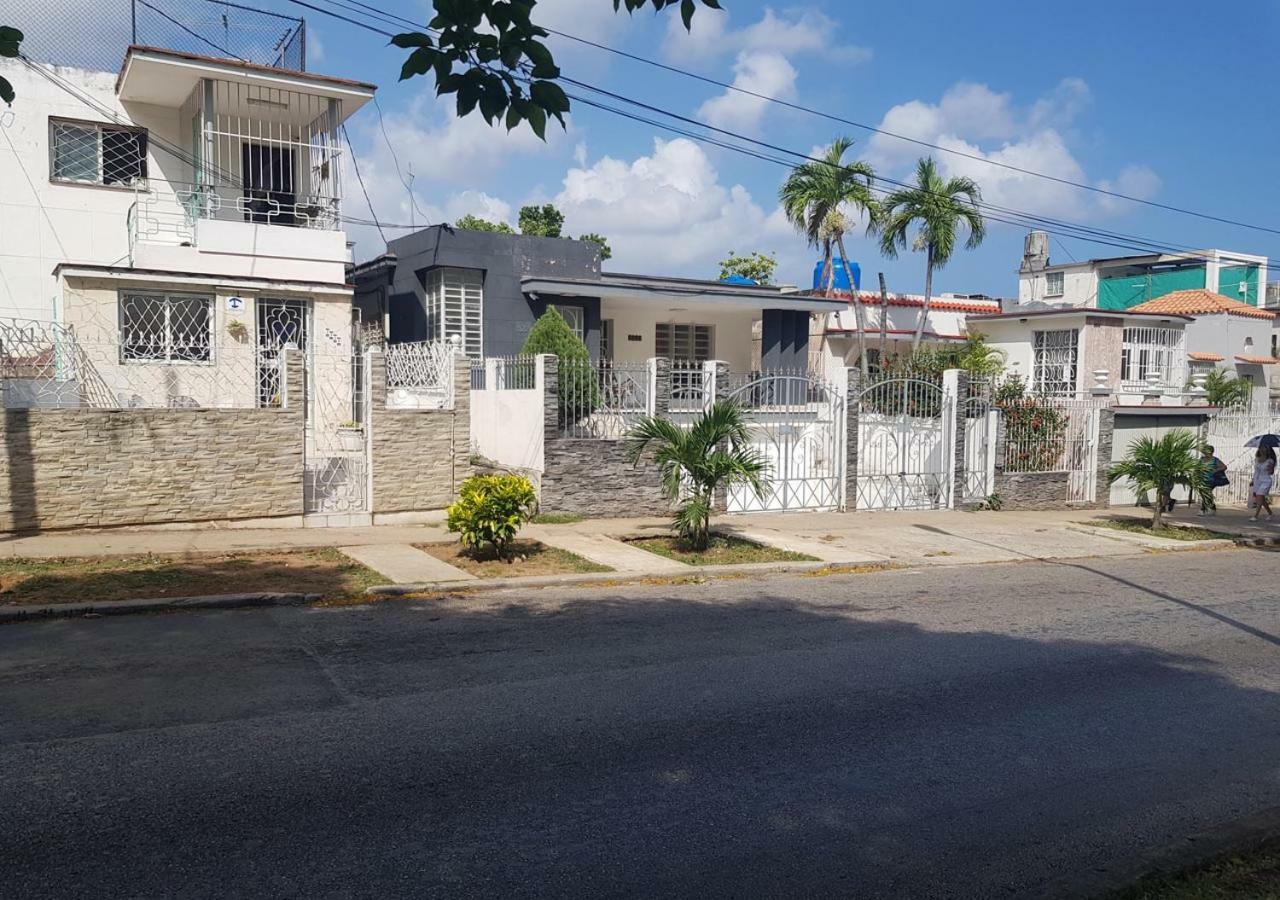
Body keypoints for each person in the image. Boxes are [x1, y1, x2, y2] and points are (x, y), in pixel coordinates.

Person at [1198, 445, 1228, 517]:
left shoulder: (1215, 460)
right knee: (1204, 493)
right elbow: (1197, 468)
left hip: (1211, 480)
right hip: (1202, 479)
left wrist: (1216, 470)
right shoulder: (1201, 460)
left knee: (1206, 493)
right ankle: (1212, 507)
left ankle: (1203, 509)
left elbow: (1224, 467)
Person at [1249, 446, 1276, 521]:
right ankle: (1270, 513)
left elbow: (1271, 473)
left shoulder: (1270, 461)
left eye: (1264, 448)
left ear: (1267, 450)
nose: (1261, 450)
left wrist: (1271, 468)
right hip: (1258, 480)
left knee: (1259, 496)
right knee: (1261, 499)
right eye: (1260, 448)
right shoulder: (1257, 459)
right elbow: (1256, 472)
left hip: (1266, 480)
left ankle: (1255, 516)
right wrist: (1253, 480)